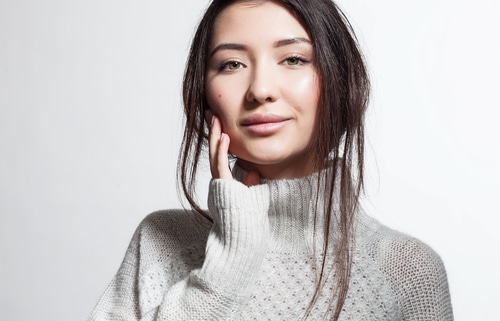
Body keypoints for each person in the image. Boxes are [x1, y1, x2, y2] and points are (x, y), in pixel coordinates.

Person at [88, 0, 453, 320]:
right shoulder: (161, 243)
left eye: (293, 59)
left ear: (340, 81)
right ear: (204, 96)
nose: (261, 89)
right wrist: (229, 263)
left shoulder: (406, 270)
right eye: (231, 64)